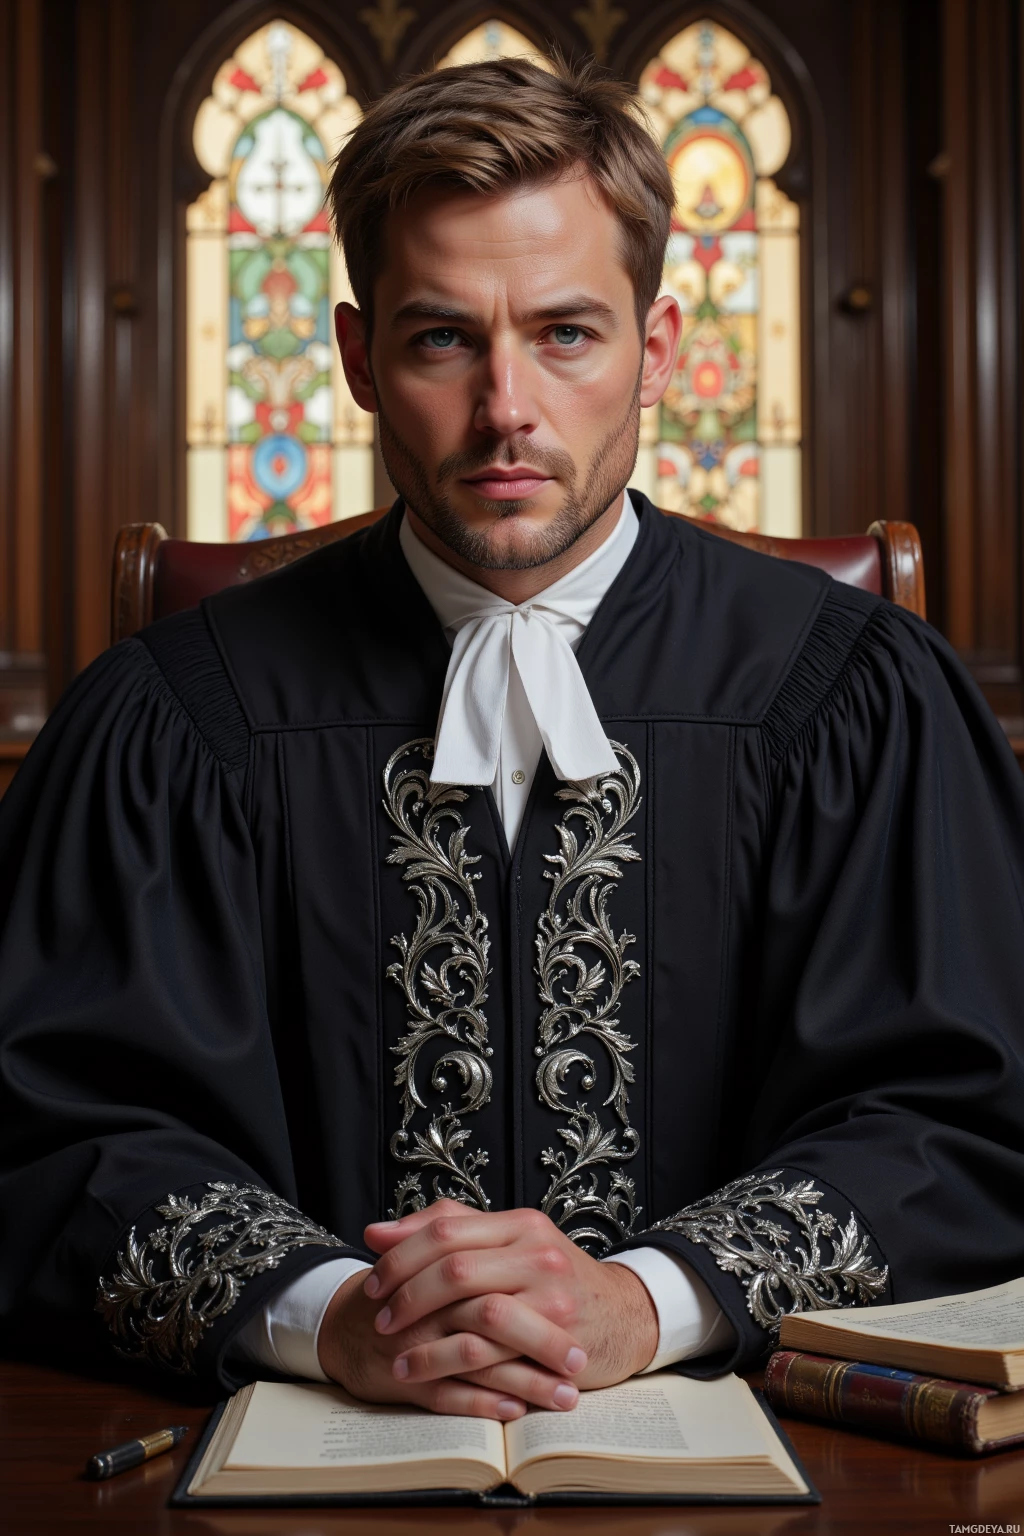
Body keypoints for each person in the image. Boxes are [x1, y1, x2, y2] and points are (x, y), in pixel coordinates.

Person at [1, 56, 1023, 1424]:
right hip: (287, 1461)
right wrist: (340, 1318)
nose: (506, 413)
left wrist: (646, 1300)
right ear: (360, 357)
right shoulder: (178, 717)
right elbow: (51, 1140)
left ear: (655, 350)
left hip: (787, 1463)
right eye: (442, 339)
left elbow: (966, 1124)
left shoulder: (855, 695)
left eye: (566, 333)